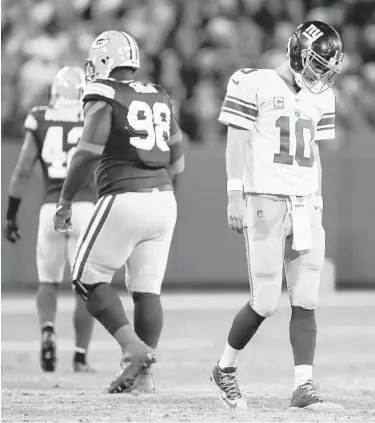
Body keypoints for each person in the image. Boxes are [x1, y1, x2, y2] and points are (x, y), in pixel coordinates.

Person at [211, 20, 343, 409]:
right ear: (298, 53)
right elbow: (235, 142)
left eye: (327, 68)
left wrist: (316, 200)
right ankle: (225, 368)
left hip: (305, 204)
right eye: (317, 64)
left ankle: (304, 385)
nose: (321, 74)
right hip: (265, 199)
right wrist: (234, 194)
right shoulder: (253, 82)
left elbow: (314, 156)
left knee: (306, 297)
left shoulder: (322, 98)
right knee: (266, 301)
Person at [53, 30, 185, 394]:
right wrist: (165, 191)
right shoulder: (159, 93)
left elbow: (87, 150)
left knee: (84, 275)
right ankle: (145, 378)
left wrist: (65, 201)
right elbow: (179, 154)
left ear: (103, 61)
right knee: (147, 289)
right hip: (164, 197)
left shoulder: (104, 93)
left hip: (125, 194)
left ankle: (133, 350)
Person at [4, 67, 97, 373]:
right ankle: (81, 356)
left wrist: (11, 215)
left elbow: (22, 171)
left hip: (51, 209)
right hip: (84, 207)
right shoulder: (92, 117)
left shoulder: (41, 117)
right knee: (85, 285)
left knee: (47, 280)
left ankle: (47, 330)